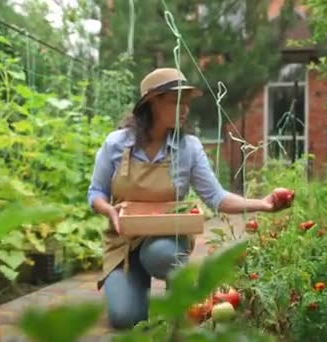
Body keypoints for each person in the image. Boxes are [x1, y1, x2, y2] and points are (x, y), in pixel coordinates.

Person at [87, 68, 292, 329]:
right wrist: (109, 211)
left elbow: (216, 198)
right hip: (123, 244)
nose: (184, 109)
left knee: (162, 255)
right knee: (125, 319)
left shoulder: (188, 147)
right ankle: (135, 291)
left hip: (166, 238)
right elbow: (96, 193)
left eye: (186, 103)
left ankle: (181, 311)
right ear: (151, 104)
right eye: (175, 102)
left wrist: (262, 204)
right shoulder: (116, 144)